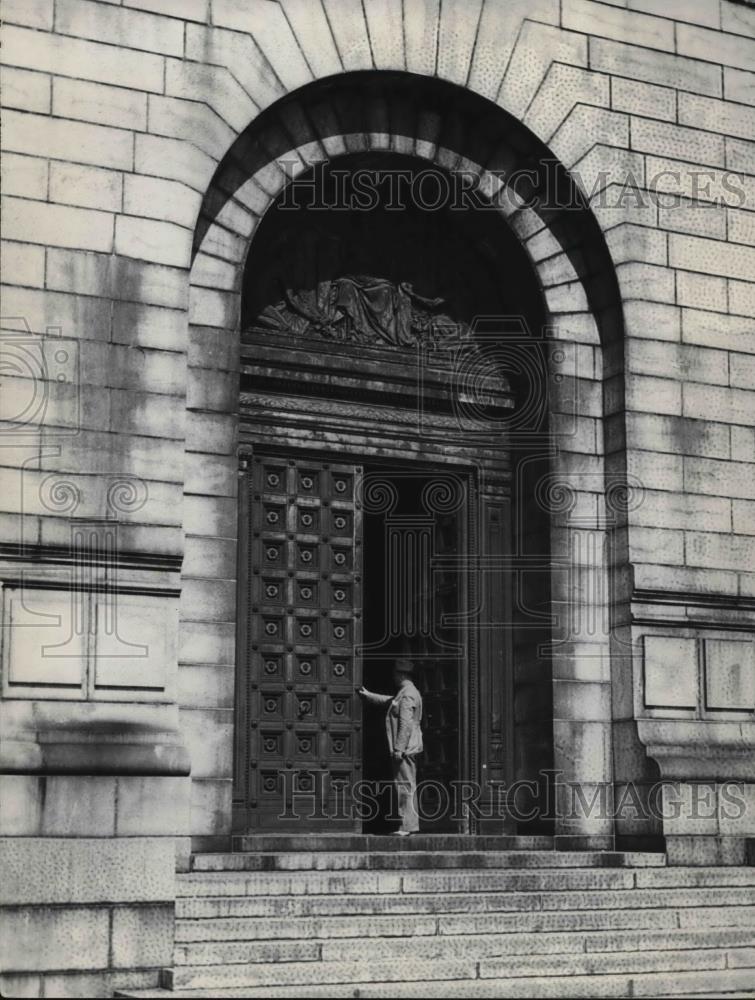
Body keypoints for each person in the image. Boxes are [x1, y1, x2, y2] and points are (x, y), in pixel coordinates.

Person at [357, 658, 423, 836]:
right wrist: (369, 695)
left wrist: (399, 749)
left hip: (406, 748)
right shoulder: (405, 692)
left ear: (401, 674)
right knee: (405, 785)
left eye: (395, 674)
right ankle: (407, 825)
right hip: (408, 747)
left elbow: (405, 724)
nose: (393, 677)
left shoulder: (408, 694)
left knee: (405, 786)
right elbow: (390, 701)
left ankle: (407, 827)